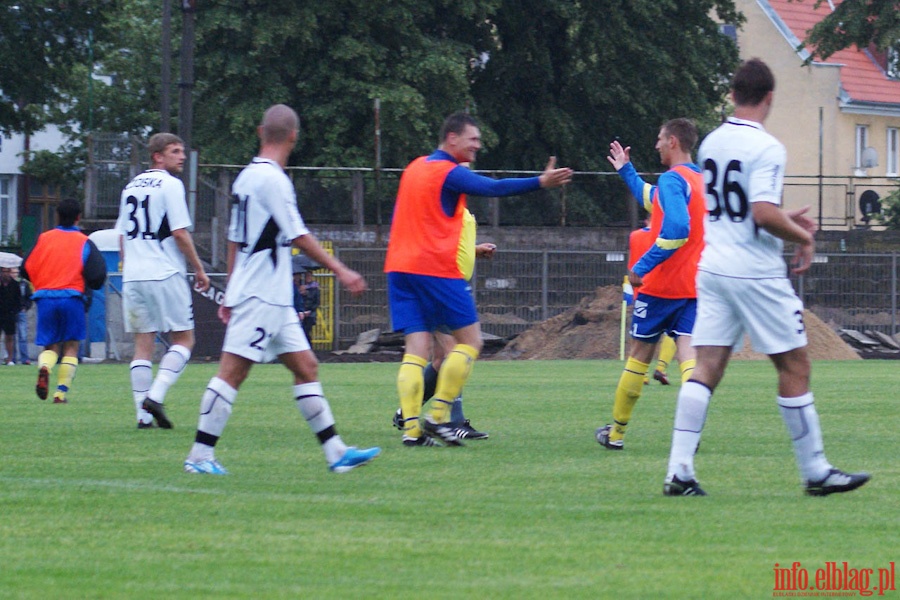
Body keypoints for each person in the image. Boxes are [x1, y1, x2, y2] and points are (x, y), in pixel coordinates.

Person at [663, 58, 870, 497]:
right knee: (795, 364)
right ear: (770, 97)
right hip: (755, 272)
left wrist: (781, 217)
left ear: (734, 94)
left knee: (707, 367)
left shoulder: (712, 143)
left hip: (714, 267)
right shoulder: (769, 148)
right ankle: (815, 471)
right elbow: (759, 212)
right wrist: (802, 237)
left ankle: (679, 472)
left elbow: (736, 209)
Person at [182, 104, 380, 475]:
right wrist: (340, 269)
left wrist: (230, 288)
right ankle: (199, 456)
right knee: (231, 373)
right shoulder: (274, 180)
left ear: (260, 132)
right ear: (293, 137)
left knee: (306, 367)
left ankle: (336, 452)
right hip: (262, 295)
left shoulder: (245, 178)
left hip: (268, 295)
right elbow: (299, 235)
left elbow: (233, 240)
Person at [384, 111, 572, 446]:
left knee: (415, 350)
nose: (477, 146)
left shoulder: (414, 168)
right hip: (435, 271)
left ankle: (412, 431)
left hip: (399, 268)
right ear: (451, 138)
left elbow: (424, 220)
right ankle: (438, 416)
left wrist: (471, 248)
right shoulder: (448, 172)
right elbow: (493, 187)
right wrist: (540, 182)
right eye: (473, 139)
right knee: (471, 342)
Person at [595, 118, 706, 450]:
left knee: (640, 356)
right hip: (694, 288)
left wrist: (640, 266)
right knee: (689, 359)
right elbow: (652, 199)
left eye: (659, 139)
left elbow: (675, 229)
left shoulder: (673, 179)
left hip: (660, 289)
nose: (655, 145)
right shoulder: (700, 181)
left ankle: (615, 434)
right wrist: (626, 171)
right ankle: (691, 432)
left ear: (672, 141)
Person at [115, 132, 211, 429]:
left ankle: (142, 417)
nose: (182, 156)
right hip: (164, 272)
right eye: (175, 151)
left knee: (142, 346)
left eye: (182, 151)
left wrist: (127, 268)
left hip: (133, 275)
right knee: (184, 339)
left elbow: (122, 236)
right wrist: (198, 268)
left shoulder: (130, 186)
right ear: (158, 156)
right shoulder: (170, 185)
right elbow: (180, 233)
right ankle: (155, 396)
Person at [391, 227, 497, 441]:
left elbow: (451, 242)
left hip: (448, 284)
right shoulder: (444, 201)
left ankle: (408, 413)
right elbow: (434, 241)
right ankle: (452, 422)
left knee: (440, 361)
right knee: (455, 353)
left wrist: (473, 250)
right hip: (442, 285)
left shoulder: (459, 207)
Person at [22, 198, 106, 403]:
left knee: (50, 346)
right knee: (71, 346)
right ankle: (60, 393)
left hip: (46, 299)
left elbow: (26, 267)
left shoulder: (44, 239)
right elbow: (97, 274)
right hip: (72, 298)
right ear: (78, 217)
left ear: (57, 216)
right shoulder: (84, 242)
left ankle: (45, 367)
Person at [0, 266, 21, 365]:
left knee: (10, 337)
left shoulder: (15, 284)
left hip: (9, 314)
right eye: (4, 271)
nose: (6, 274)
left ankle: (9, 359)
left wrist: (15, 311)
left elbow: (18, 299)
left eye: (8, 271)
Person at [293, 268, 320, 343]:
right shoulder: (298, 287)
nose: (308, 278)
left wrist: (309, 311)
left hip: (309, 314)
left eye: (309, 276)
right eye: (307, 276)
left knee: (306, 332)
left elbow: (316, 302)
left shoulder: (314, 287)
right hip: (300, 312)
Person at [15, 267, 34, 364]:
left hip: (21, 311)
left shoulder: (24, 284)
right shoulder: (6, 284)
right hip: (10, 312)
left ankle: (24, 358)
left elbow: (29, 297)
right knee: (11, 336)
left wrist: (26, 307)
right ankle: (12, 358)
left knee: (23, 335)